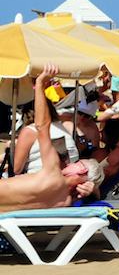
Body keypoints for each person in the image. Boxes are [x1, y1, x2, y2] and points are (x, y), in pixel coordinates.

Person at [0, 64, 104, 213]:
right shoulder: (65, 201)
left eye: (77, 163)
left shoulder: (52, 172)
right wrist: (94, 192)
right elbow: (94, 200)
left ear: (81, 171)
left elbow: (42, 126)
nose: (69, 164)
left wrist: (41, 84)